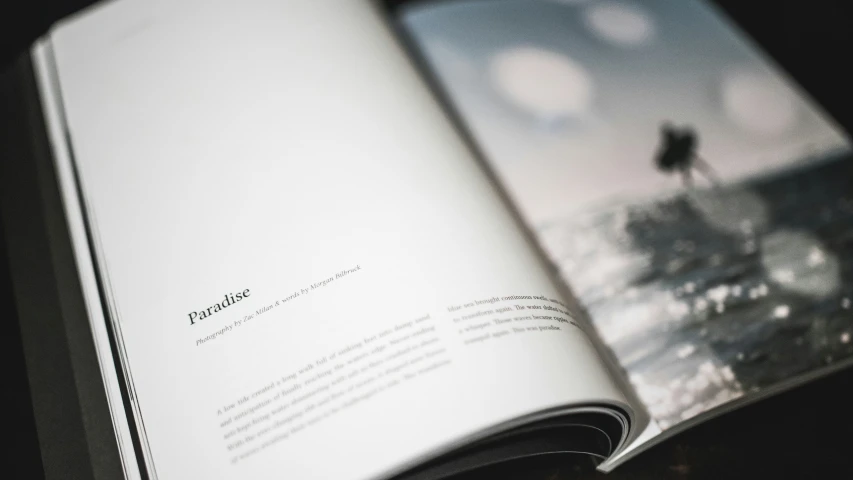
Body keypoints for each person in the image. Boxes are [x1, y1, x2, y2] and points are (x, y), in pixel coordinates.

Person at [654, 122, 719, 187]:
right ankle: (693, 186)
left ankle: (713, 180)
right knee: (689, 171)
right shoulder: (669, 145)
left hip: (685, 156)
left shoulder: (678, 140)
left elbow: (690, 142)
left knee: (697, 168)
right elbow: (661, 161)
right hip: (681, 159)